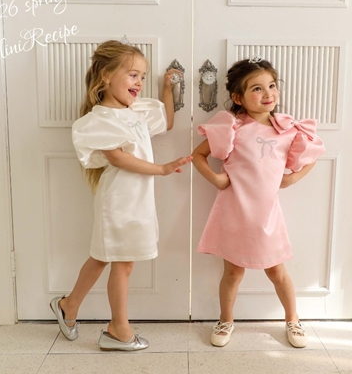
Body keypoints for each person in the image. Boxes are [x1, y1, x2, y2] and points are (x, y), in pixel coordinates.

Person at [50, 40, 192, 352]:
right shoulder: (101, 119)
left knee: (103, 257)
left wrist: (166, 89)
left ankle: (68, 305)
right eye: (133, 75)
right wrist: (161, 169)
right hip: (119, 199)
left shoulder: (135, 112)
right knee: (122, 262)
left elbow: (166, 122)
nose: (139, 83)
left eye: (142, 77)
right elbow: (117, 158)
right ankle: (118, 329)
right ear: (105, 76)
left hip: (137, 199)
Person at [192, 57, 325, 348]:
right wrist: (216, 179)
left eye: (272, 86)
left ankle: (293, 319)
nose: (268, 93)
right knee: (232, 272)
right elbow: (198, 155)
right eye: (257, 88)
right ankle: (226, 319)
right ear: (238, 97)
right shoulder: (232, 128)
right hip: (235, 211)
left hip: (267, 215)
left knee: (276, 271)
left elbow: (313, 156)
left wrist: (292, 178)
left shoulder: (288, 130)